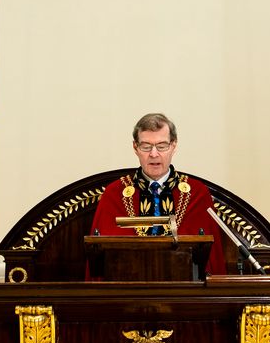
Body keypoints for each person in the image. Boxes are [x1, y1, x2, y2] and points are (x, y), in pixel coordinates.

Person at [90, 113, 226, 275]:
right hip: (127, 289)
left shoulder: (197, 193)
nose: (154, 154)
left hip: (185, 293)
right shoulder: (114, 193)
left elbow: (213, 262)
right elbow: (99, 262)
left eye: (162, 146)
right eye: (146, 146)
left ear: (173, 146)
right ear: (135, 148)